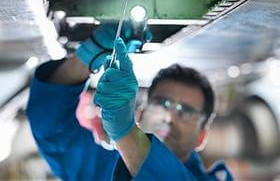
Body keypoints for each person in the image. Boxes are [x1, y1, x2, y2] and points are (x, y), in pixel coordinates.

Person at [26, 23, 233, 180]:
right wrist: (87, 57)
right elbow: (52, 130)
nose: (169, 117)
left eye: (185, 111)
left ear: (202, 136)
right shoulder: (105, 168)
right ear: (140, 115)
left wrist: (124, 131)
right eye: (162, 103)